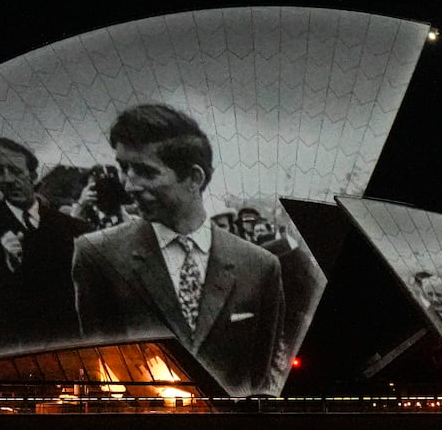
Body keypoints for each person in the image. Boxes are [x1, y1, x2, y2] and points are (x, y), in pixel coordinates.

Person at [72, 103, 286, 397]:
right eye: (124, 168)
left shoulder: (260, 266)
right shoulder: (98, 255)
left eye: (146, 172)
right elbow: (101, 372)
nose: (129, 185)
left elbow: (260, 380)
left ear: (194, 178)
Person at [0, 136, 91, 350]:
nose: (7, 179)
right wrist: (9, 267)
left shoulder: (73, 227)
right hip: (21, 347)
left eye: (15, 170)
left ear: (33, 175)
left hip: (72, 342)